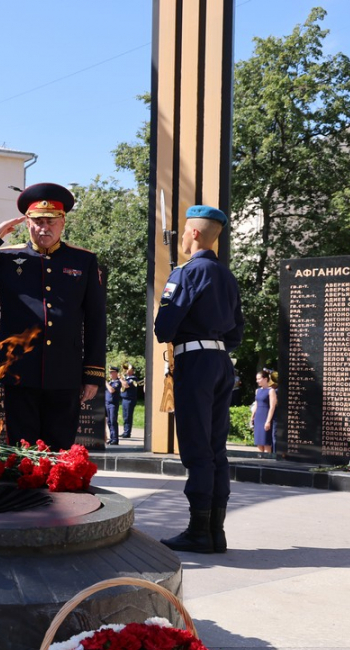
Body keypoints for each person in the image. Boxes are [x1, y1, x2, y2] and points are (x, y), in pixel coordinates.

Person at [0, 183, 106, 450]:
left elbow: (95, 319)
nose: (44, 228)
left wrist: (92, 374)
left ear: (62, 223)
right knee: (24, 452)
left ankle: (60, 494)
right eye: (37, 222)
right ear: (27, 224)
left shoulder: (83, 261)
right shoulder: (7, 258)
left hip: (65, 373)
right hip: (19, 371)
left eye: (51, 221)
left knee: (60, 451)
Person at [154, 205, 244, 554]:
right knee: (216, 448)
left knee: (196, 450)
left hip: (194, 362)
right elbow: (236, 331)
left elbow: (164, 327)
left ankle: (198, 531)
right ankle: (215, 531)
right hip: (221, 361)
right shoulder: (226, 275)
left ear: (193, 233)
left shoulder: (187, 272)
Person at [250, 369, 278, 453]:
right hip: (258, 418)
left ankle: (267, 463)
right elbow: (256, 405)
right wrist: (252, 418)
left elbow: (272, 407)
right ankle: (259, 463)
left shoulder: (271, 391)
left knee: (266, 443)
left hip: (265, 417)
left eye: (259, 379)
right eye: (257, 379)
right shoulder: (257, 391)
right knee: (259, 442)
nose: (257, 381)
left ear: (265, 379)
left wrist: (268, 421)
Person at [121, 364, 139, 438]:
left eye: (128, 369)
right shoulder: (126, 378)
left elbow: (126, 385)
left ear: (132, 371)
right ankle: (125, 431)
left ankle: (127, 432)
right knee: (125, 416)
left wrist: (120, 379)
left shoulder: (133, 378)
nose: (126, 371)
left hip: (130, 400)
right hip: (124, 399)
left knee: (128, 416)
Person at [104, 367, 122, 446]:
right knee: (109, 422)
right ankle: (111, 438)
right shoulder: (110, 382)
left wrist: (105, 382)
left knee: (113, 421)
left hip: (113, 404)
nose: (110, 374)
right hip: (107, 404)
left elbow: (111, 390)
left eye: (112, 372)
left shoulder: (117, 382)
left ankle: (115, 439)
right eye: (110, 372)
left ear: (116, 373)